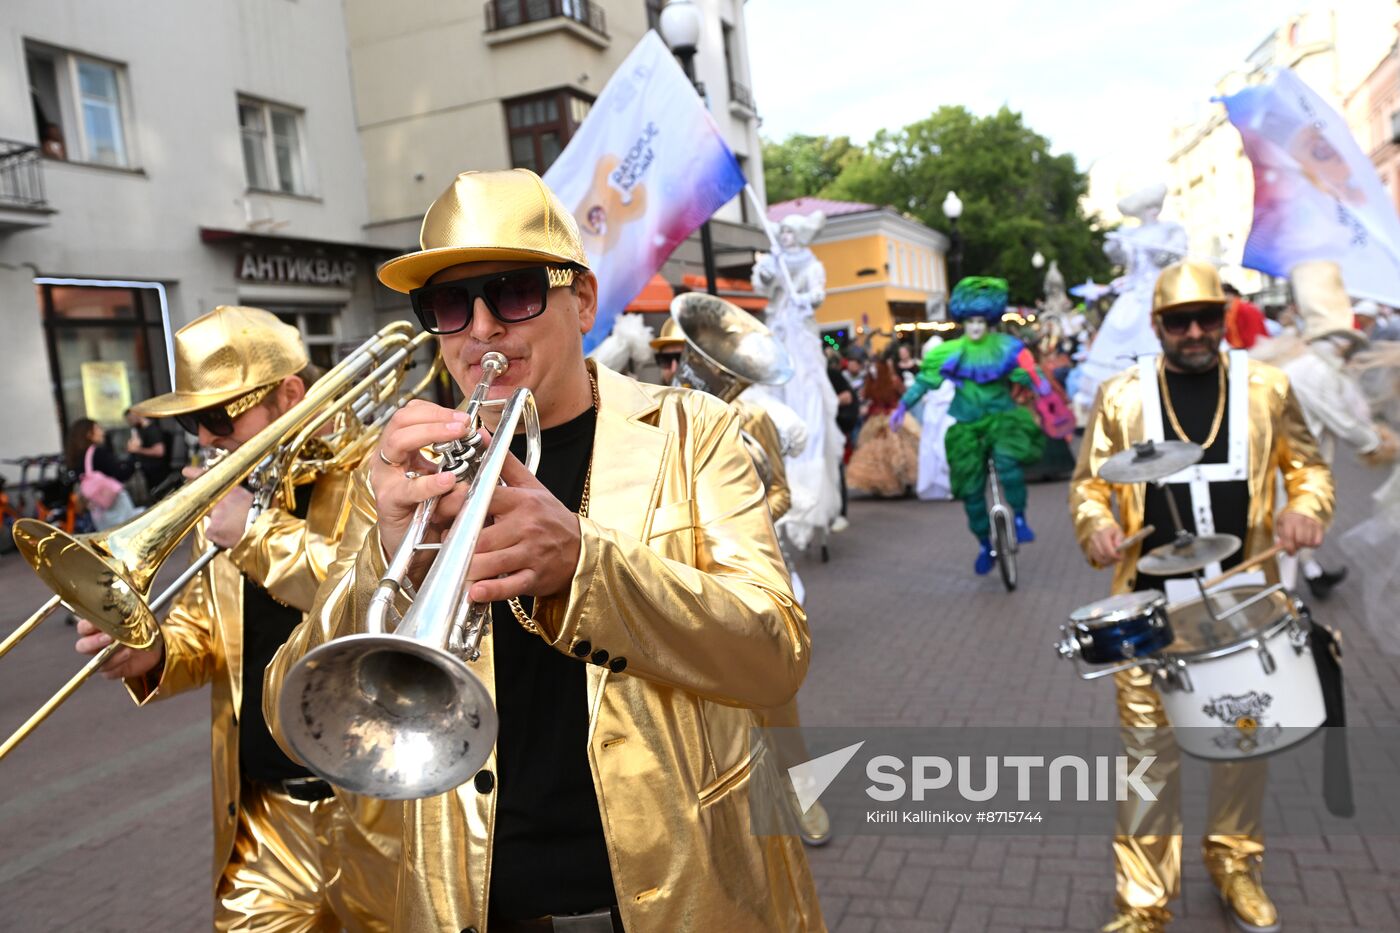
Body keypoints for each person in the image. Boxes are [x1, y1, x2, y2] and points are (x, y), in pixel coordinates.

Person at [264, 169, 822, 932]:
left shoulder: (696, 434)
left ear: (583, 300)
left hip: (676, 891)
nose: (482, 329)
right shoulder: (405, 465)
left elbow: (775, 653)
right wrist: (383, 562)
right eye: (450, 305)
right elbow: (291, 707)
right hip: (473, 903)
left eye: (515, 291)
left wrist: (586, 565)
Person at [73, 306, 397, 932]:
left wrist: (255, 531)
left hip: (380, 816)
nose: (205, 437)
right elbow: (208, 631)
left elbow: (376, 597)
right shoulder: (229, 497)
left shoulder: (379, 470)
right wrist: (153, 653)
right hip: (265, 819)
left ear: (291, 394)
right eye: (194, 420)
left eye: (220, 416)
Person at [1070, 259, 1334, 933]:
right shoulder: (1122, 396)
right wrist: (1096, 524)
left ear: (1225, 317)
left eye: (1206, 318)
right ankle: (1143, 901)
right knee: (1147, 761)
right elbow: (1090, 485)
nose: (1194, 332)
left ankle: (1235, 862)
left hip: (1244, 601)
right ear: (1155, 325)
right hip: (1147, 611)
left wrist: (1306, 508)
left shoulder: (1268, 387)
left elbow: (1308, 467)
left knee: (1243, 742)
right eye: (1178, 321)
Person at [651, 310, 832, 848]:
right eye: (664, 358)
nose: (670, 368)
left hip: (744, 582)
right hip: (679, 583)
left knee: (774, 699)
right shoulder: (652, 419)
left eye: (674, 356)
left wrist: (735, 526)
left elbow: (781, 494)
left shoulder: (749, 420)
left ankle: (802, 795)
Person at [891, 276, 1050, 574]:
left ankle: (1020, 519)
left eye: (981, 321)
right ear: (963, 322)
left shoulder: (1006, 346)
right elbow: (924, 382)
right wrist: (903, 406)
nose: (976, 327)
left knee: (1008, 462)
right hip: (966, 422)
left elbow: (1030, 372)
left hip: (1002, 418)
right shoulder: (949, 352)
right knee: (969, 487)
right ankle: (983, 544)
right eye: (970, 321)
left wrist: (1041, 388)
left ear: (989, 321)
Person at [1261, 261, 1397, 599]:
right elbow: (1346, 424)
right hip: (1290, 470)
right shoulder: (1314, 371)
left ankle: (1312, 576)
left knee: (1300, 526)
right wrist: (1380, 443)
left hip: (1296, 464)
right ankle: (1286, 603)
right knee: (1289, 534)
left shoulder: (1314, 365)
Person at [64, 417, 140, 529]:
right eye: (98, 428)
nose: (102, 432)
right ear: (89, 434)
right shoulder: (97, 453)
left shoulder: (76, 458)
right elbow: (122, 474)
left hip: (98, 514)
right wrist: (133, 454)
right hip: (117, 509)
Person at [124, 406, 172, 495]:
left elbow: (159, 451)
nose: (129, 422)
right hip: (148, 472)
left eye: (130, 419)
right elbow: (133, 446)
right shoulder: (139, 429)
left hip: (157, 471)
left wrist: (138, 450)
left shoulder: (152, 430)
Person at [1223, 282, 1268, 349]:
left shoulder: (1246, 309)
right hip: (1239, 349)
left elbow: (1255, 335)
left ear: (1230, 295)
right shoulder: (1229, 312)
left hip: (1254, 350)